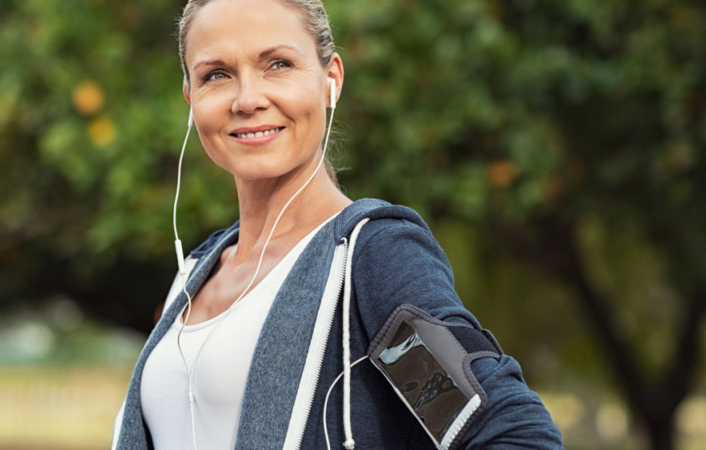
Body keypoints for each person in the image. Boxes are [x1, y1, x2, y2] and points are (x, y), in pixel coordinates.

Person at [113, 0, 563, 448]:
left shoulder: (369, 258)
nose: (248, 99)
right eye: (217, 74)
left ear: (331, 80)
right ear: (191, 96)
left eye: (278, 64)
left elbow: (510, 433)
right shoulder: (195, 272)